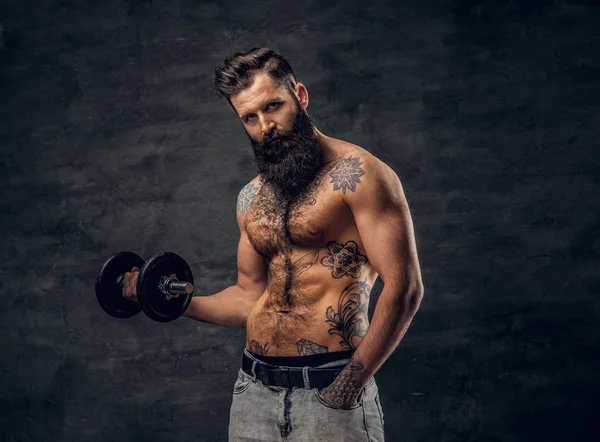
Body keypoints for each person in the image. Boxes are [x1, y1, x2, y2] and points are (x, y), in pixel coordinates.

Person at [122, 47, 424, 442]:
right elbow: (248, 297)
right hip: (253, 394)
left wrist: (348, 386)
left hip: (330, 393)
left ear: (300, 95)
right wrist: (157, 297)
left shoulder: (359, 175)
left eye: (273, 106)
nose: (266, 125)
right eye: (250, 117)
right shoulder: (252, 198)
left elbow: (405, 289)